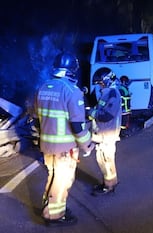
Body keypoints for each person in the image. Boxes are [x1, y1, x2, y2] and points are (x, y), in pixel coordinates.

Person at [34, 52, 94, 226]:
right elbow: (77, 125)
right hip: (64, 148)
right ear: (72, 70)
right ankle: (55, 215)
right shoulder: (72, 91)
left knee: (53, 176)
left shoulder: (43, 88)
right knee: (63, 180)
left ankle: (49, 205)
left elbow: (38, 119)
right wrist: (87, 145)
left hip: (46, 145)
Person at [88, 68, 122, 195]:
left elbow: (106, 115)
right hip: (103, 135)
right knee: (102, 161)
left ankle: (109, 186)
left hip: (107, 136)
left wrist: (91, 112)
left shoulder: (113, 94)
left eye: (100, 83)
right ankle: (108, 183)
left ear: (107, 81)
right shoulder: (106, 93)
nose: (99, 85)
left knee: (107, 162)